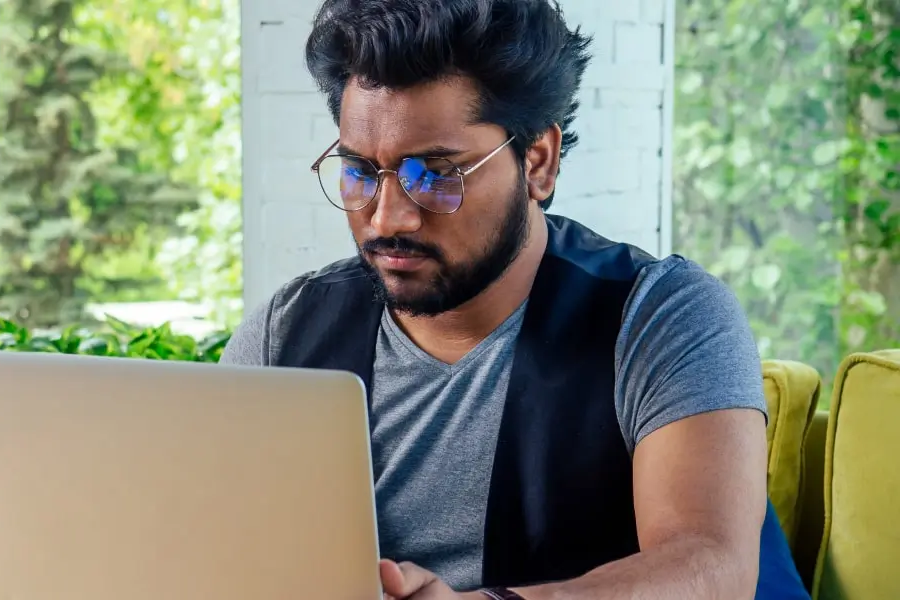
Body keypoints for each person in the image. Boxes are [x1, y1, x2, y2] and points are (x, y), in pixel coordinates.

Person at [220, 0, 812, 598]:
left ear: (538, 161)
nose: (386, 216)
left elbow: (710, 567)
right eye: (360, 172)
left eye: (434, 174)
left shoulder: (662, 315)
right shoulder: (285, 332)